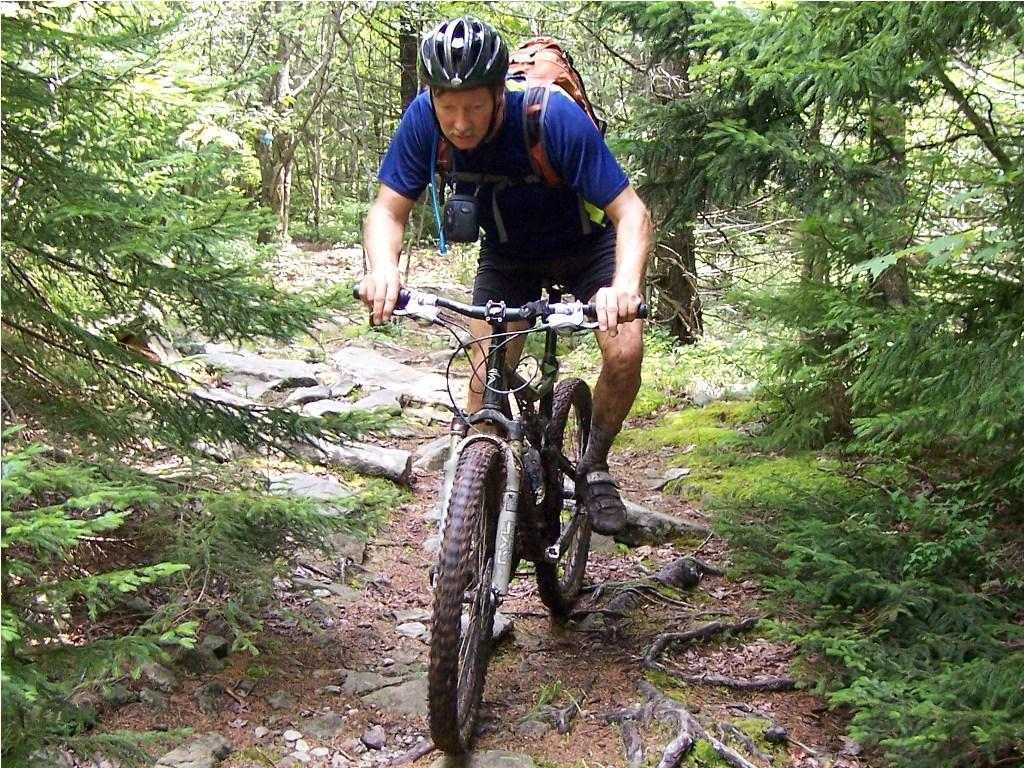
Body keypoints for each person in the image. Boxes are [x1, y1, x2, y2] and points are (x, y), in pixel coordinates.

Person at [357, 16, 651, 535]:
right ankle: (473, 525)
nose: (461, 123)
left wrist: (623, 287)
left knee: (624, 349)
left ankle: (594, 464)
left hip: (588, 249)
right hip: (509, 256)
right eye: (449, 107)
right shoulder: (424, 119)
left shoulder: (549, 117)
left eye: (473, 105)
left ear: (499, 92)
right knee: (481, 381)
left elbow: (632, 213)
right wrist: (383, 270)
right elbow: (387, 211)